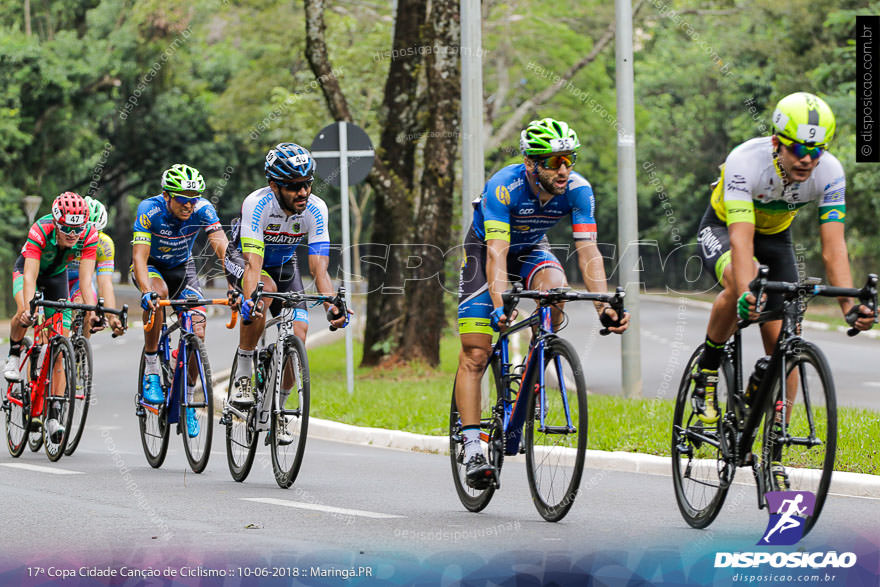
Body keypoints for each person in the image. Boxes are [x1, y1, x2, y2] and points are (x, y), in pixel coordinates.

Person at [691, 92, 875, 488]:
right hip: (725, 228)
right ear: (777, 142)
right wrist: (747, 292)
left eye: (818, 150)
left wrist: (847, 304)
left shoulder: (830, 173)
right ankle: (707, 368)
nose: (808, 159)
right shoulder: (745, 162)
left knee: (785, 345)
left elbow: (833, 247)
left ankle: (774, 448)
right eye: (799, 149)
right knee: (742, 284)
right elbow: (741, 241)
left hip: (776, 237)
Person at [455, 118, 629, 489]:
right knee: (475, 353)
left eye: (569, 159)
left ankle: (537, 363)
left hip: (533, 250)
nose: (564, 169)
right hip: (486, 253)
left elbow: (588, 252)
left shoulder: (579, 191)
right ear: (532, 163)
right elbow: (497, 254)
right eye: (554, 161)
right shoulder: (505, 186)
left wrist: (603, 307)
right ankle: (471, 446)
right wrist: (502, 304)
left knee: (556, 291)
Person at [224, 142, 348, 413]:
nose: (302, 192)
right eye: (293, 186)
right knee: (262, 291)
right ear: (274, 185)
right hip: (245, 260)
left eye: (307, 184)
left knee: (299, 333)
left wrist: (331, 305)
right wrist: (249, 298)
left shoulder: (317, 209)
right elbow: (253, 263)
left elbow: (319, 268)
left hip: (284, 265)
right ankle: (244, 370)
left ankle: (276, 411)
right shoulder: (257, 205)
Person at [131, 164, 229, 437]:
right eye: (183, 199)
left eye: (194, 198)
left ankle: (187, 400)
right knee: (158, 294)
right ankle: (152, 368)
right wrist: (145, 290)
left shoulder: (203, 209)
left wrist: (235, 283)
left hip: (183, 270)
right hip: (152, 267)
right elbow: (139, 257)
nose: (189, 205)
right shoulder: (149, 210)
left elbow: (221, 245)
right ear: (167, 196)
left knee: (198, 328)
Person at [3, 192, 98, 442]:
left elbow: (87, 283)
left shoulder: (90, 234)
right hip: (28, 271)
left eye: (78, 228)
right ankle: (13, 354)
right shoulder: (41, 229)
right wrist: (30, 308)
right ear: (56, 222)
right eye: (66, 228)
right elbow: (31, 277)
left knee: (59, 344)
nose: (73, 233)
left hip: (57, 276)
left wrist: (93, 312)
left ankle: (54, 414)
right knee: (24, 313)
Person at [68, 196, 125, 336]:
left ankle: (81, 352)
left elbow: (105, 283)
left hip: (80, 281)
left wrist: (112, 317)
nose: (89, 236)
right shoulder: (66, 236)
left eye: (95, 233)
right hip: (59, 275)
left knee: (88, 307)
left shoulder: (104, 244)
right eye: (83, 231)